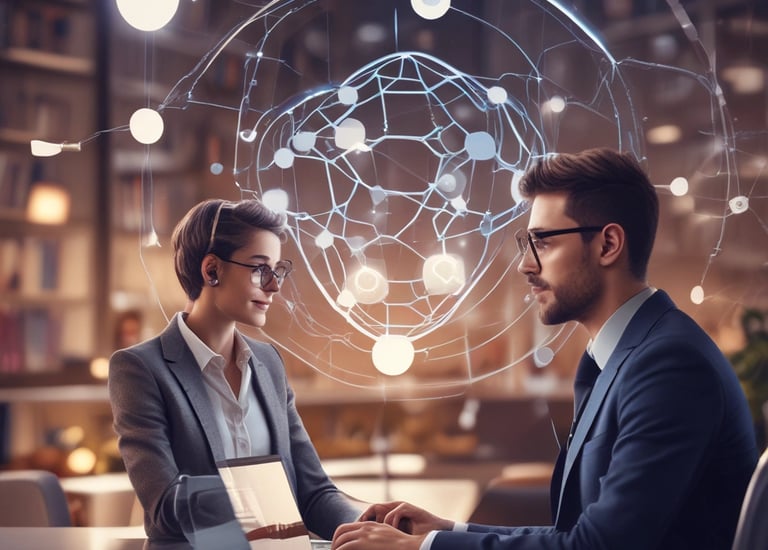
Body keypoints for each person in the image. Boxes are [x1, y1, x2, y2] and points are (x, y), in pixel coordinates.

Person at [331, 148, 759, 550]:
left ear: (608, 245)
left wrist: (422, 548)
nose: (525, 264)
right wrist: (444, 531)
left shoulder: (669, 365)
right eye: (527, 243)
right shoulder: (622, 357)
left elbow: (598, 546)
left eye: (545, 242)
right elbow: (578, 533)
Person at [109, 198, 362, 543]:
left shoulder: (268, 362)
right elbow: (165, 507)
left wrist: (370, 523)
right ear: (212, 270)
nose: (274, 286)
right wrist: (261, 498)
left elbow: (312, 492)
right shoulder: (140, 369)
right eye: (259, 269)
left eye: (277, 270)